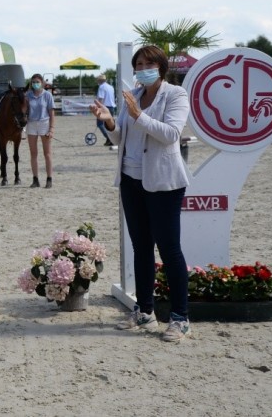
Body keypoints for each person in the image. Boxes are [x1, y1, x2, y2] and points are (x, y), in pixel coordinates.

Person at [90, 45, 192, 343]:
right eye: (139, 64)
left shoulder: (175, 94)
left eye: (149, 63)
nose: (143, 68)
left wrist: (138, 114)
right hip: (131, 180)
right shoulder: (133, 94)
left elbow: (172, 134)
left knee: (170, 250)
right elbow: (120, 135)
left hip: (163, 182)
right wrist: (109, 119)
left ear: (161, 66)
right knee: (141, 247)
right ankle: (144, 310)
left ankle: (180, 317)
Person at [25, 73, 55, 188]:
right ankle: (35, 179)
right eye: (33, 82)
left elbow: (52, 113)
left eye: (37, 82)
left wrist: (51, 129)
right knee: (33, 153)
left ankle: (49, 178)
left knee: (47, 153)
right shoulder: (28, 95)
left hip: (44, 123)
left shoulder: (47, 95)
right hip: (31, 124)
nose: (35, 84)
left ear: (42, 83)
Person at [94, 74, 116, 147]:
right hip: (111, 107)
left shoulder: (101, 87)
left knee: (100, 124)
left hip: (104, 107)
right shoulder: (111, 87)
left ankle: (109, 138)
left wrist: (98, 107)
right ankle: (110, 140)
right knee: (109, 125)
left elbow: (101, 98)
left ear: (100, 80)